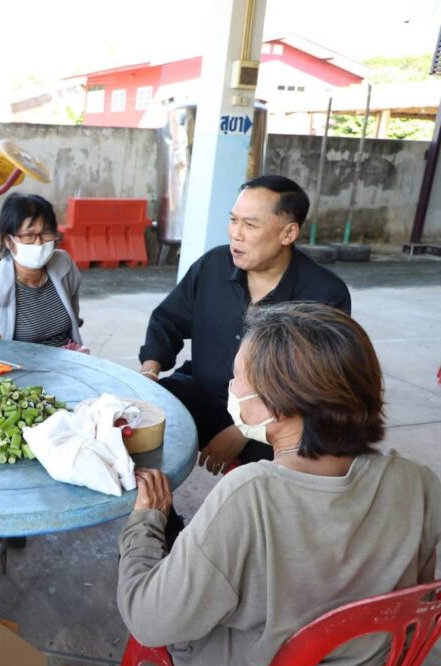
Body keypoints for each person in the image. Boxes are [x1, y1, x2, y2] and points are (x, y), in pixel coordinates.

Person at [118, 302, 441, 666]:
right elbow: (412, 594)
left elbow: (149, 622)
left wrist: (147, 522)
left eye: (238, 378)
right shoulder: (418, 483)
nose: (231, 388)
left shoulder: (250, 496)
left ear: (281, 402)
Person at [138, 175, 351, 474]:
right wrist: (149, 372)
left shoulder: (323, 294)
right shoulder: (213, 265)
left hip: (274, 414)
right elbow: (167, 321)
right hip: (203, 391)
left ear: (288, 233)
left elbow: (315, 387)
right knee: (135, 420)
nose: (235, 234)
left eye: (250, 225)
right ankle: (153, 503)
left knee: (282, 469)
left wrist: (243, 431)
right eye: (233, 220)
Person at [0, 193, 84, 348]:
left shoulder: (64, 265)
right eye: (29, 235)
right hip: (13, 362)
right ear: (8, 241)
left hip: (67, 357)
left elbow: (73, 318)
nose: (39, 243)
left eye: (46, 233)